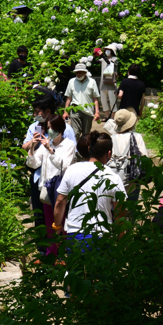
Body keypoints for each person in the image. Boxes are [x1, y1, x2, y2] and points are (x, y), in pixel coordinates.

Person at [53, 132, 127, 244]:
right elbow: (119, 212)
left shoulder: (72, 170)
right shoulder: (113, 178)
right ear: (109, 154)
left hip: (75, 233)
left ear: (89, 149)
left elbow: (60, 201)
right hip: (102, 235)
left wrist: (57, 226)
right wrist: (120, 238)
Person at [23, 94, 77, 233]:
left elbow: (68, 159)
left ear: (48, 111)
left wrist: (50, 150)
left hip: (59, 183)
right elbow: (30, 157)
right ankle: (44, 248)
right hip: (41, 180)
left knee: (60, 218)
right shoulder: (35, 127)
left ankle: (60, 247)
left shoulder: (67, 133)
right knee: (41, 216)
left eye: (37, 112)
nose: (35, 115)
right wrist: (32, 146)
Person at [36, 114, 78, 253]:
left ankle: (63, 255)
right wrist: (31, 146)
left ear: (59, 129)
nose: (49, 131)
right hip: (47, 189)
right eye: (48, 128)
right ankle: (51, 255)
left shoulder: (69, 145)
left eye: (51, 128)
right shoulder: (47, 143)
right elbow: (34, 162)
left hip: (61, 191)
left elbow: (64, 165)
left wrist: (50, 150)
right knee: (49, 224)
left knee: (61, 224)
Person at [106, 109, 149, 201]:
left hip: (114, 175)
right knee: (132, 205)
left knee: (115, 203)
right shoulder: (136, 136)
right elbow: (144, 157)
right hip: (131, 176)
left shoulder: (111, 138)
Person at [63, 63, 100, 139]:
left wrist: (97, 112)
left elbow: (95, 98)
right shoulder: (71, 81)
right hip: (75, 109)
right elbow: (69, 98)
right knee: (75, 133)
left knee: (86, 134)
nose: (78, 74)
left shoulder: (92, 82)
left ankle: (84, 150)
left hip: (88, 111)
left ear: (85, 72)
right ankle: (74, 150)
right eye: (77, 72)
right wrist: (66, 111)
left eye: (80, 72)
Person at [98, 43, 120, 121]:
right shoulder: (102, 59)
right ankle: (107, 116)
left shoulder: (115, 59)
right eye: (106, 50)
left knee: (112, 100)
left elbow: (109, 63)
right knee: (103, 100)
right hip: (103, 83)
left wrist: (102, 56)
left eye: (108, 50)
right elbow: (96, 62)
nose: (107, 51)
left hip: (111, 83)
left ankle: (113, 116)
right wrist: (94, 55)